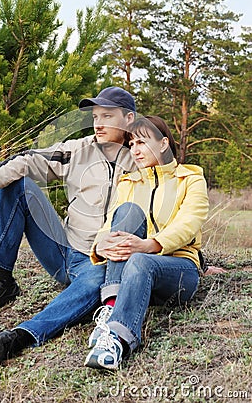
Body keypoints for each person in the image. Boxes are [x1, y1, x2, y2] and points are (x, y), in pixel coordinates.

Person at [0, 86, 137, 365]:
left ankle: (21, 336)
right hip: (62, 249)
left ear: (128, 120)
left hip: (99, 261)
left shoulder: (143, 160)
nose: (98, 123)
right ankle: (2, 282)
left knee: (96, 281)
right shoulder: (77, 150)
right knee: (20, 183)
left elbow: (173, 208)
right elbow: (26, 161)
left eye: (107, 116)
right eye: (96, 116)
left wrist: (196, 259)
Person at [84, 115, 209, 370]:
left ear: (163, 144)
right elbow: (109, 225)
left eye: (142, 142)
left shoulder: (191, 179)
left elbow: (188, 225)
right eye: (131, 144)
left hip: (179, 270)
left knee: (140, 261)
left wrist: (149, 245)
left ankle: (117, 339)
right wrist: (100, 245)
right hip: (134, 272)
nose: (135, 150)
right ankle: (111, 306)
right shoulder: (130, 183)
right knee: (127, 212)